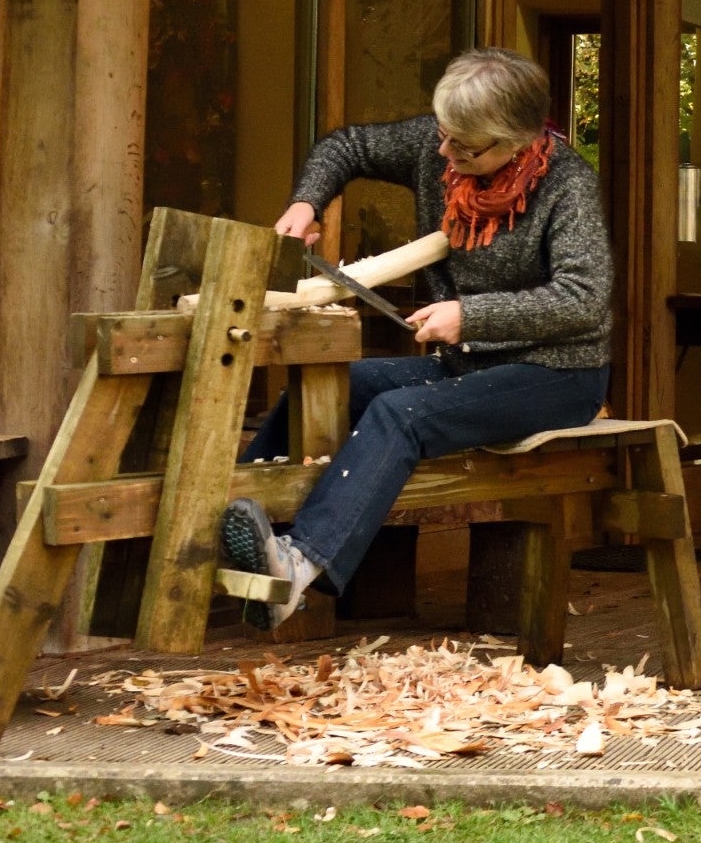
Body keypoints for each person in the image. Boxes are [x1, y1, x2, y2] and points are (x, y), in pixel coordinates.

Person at [216, 48, 613, 628]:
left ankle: (296, 568)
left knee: (400, 414)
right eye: (444, 134)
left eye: (463, 147)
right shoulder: (440, 146)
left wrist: (470, 317)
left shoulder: (568, 186)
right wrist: (307, 201)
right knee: (339, 386)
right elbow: (347, 147)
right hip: (469, 364)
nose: (444, 151)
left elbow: (583, 299)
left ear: (515, 142)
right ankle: (233, 530)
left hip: (557, 375)